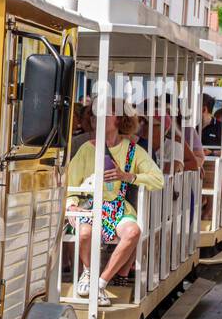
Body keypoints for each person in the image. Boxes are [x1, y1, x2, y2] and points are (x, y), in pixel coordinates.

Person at [66, 111, 164, 306]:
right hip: (90, 205)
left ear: (119, 119)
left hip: (118, 207)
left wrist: (127, 176)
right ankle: (88, 273)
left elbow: (158, 180)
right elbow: (69, 182)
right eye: (93, 114)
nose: (96, 117)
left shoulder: (133, 151)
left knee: (133, 231)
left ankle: (101, 282)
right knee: (85, 232)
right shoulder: (86, 149)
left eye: (104, 113)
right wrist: (72, 205)